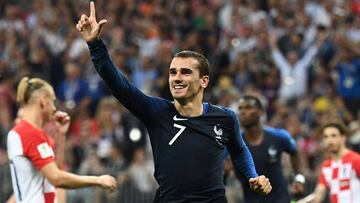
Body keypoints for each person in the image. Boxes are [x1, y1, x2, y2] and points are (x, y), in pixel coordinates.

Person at [76, 2, 272, 202]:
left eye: (185, 72)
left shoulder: (225, 118)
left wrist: (253, 176)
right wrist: (95, 45)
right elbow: (118, 85)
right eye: (172, 72)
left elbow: (239, 151)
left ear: (204, 81)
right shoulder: (157, 112)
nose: (176, 78)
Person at [7, 77, 117, 203]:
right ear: (43, 101)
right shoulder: (30, 133)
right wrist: (97, 180)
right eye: (52, 101)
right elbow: (56, 178)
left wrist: (61, 136)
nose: (54, 108)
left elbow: (55, 171)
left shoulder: (22, 133)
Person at [236, 95, 303, 203]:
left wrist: (299, 179)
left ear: (261, 112)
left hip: (280, 199)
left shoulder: (279, 136)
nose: (243, 112)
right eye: (240, 108)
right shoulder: (234, 142)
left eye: (248, 107)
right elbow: (221, 168)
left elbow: (294, 152)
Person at [297, 121, 360, 203]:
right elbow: (318, 195)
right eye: (326, 137)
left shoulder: (355, 160)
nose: (329, 140)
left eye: (333, 136)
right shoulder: (326, 166)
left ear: (343, 138)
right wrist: (304, 201)